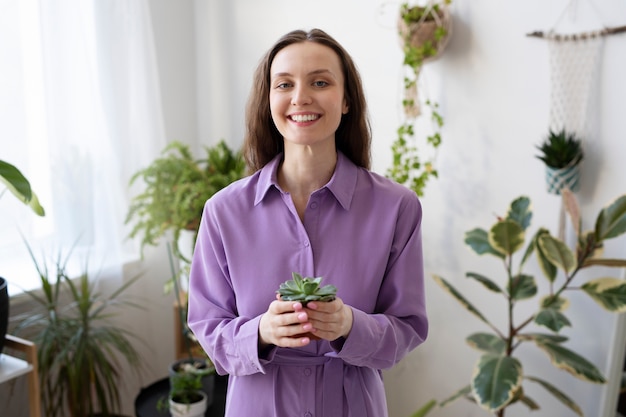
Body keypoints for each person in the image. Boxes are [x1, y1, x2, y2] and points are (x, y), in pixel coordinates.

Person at [187, 28, 428, 417]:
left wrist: (350, 324)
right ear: (268, 100)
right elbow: (207, 326)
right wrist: (261, 332)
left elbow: (408, 327)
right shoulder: (223, 211)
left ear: (347, 99)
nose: (301, 97)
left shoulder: (396, 207)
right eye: (284, 84)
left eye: (320, 81)